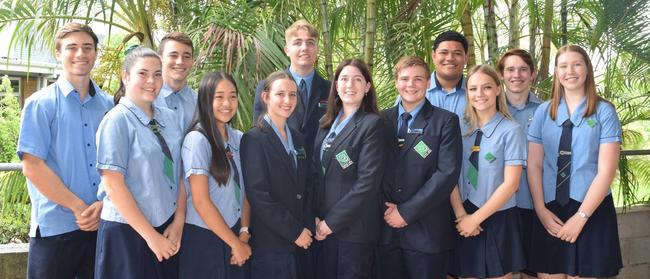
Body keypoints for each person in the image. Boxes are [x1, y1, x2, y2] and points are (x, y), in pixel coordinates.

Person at [17, 22, 113, 279]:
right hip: (55, 230)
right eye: (72, 48)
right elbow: (32, 166)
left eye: (87, 47)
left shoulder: (109, 106)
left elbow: (119, 163)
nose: (81, 54)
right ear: (58, 54)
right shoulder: (40, 104)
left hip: (101, 224)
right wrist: (78, 207)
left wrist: (103, 204)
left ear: (95, 54)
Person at [527, 45, 623, 278]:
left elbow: (606, 172)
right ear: (557, 72)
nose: (570, 71)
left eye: (577, 64)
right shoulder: (543, 112)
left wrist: (581, 218)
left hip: (591, 210)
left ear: (587, 69)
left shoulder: (604, 112)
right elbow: (534, 165)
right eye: (563, 66)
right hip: (550, 212)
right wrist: (540, 210)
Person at [94, 47, 186, 279]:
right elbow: (114, 186)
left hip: (167, 228)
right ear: (126, 76)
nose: (151, 81)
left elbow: (181, 174)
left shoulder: (170, 118)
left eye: (157, 74)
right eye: (142, 73)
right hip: (128, 233)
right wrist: (151, 237)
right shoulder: (116, 121)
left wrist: (178, 223)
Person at [378, 56, 462, 279]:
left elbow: (446, 174)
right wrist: (388, 211)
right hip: (385, 231)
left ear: (427, 82)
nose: (411, 85)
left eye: (418, 79)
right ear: (396, 82)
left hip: (427, 232)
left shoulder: (445, 121)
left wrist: (406, 212)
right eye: (404, 79)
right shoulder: (379, 120)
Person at [449, 65, 526, 279]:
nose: (479, 94)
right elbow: (449, 175)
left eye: (486, 87)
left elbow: (511, 184)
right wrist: (462, 215)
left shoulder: (511, 130)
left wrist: (476, 220)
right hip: (463, 214)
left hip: (499, 218)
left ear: (498, 89)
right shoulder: (458, 128)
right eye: (473, 89)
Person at [312, 59, 386, 279]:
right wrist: (316, 218)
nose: (349, 85)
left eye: (357, 79)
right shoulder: (325, 123)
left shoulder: (372, 124)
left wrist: (330, 223)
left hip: (354, 231)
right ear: (336, 85)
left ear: (367, 87)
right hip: (323, 226)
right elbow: (316, 174)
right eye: (344, 79)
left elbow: (367, 183)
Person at [178, 72, 252, 278]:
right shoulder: (197, 140)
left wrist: (244, 233)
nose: (227, 103)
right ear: (205, 99)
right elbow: (201, 202)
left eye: (233, 96)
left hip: (236, 232)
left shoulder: (239, 138)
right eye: (219, 97)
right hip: (205, 239)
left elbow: (246, 190)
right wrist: (235, 243)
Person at [241, 71, 313, 279]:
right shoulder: (254, 138)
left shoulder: (298, 138)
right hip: (271, 245)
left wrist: (305, 227)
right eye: (280, 94)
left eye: (292, 95)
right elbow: (258, 195)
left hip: (301, 240)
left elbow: (306, 186)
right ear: (265, 97)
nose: (287, 100)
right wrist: (294, 231)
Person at [253, 19, 331, 162]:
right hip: (282, 171)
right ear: (287, 50)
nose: (304, 48)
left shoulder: (332, 90)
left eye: (310, 42)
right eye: (297, 43)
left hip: (322, 175)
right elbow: (260, 135)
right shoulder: (267, 87)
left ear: (317, 49)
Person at [497, 49, 543, 279]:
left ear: (532, 74)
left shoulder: (546, 110)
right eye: (510, 69)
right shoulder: (489, 110)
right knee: (501, 270)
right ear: (501, 75)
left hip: (534, 204)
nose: (517, 75)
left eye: (523, 69)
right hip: (498, 206)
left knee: (533, 270)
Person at [394, 30, 469, 118]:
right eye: (444, 53)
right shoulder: (412, 91)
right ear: (433, 56)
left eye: (457, 53)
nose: (450, 58)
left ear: (466, 58)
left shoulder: (477, 93)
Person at [154, 32, 197, 133]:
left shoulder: (200, 104)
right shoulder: (146, 101)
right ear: (160, 59)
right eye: (173, 55)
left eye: (186, 56)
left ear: (192, 61)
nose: (180, 62)